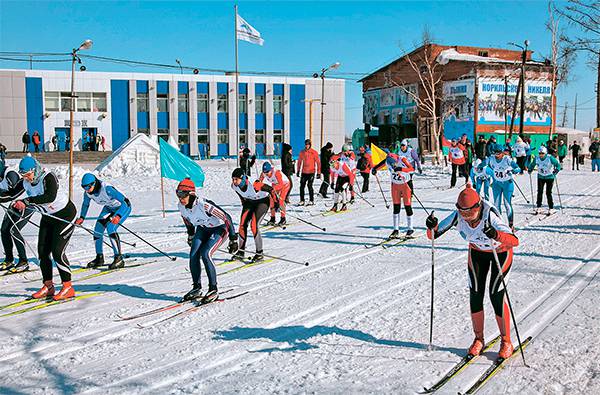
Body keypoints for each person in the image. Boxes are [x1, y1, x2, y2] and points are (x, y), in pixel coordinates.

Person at [425, 184, 519, 359]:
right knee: (475, 293)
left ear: (478, 207)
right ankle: (478, 339)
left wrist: (495, 234)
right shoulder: (457, 216)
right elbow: (433, 235)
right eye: (463, 213)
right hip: (477, 253)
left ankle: (506, 341)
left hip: (500, 252)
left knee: (495, 294)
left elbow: (514, 241)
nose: (467, 218)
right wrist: (431, 226)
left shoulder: (490, 216)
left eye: (470, 213)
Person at [9, 156, 77, 300]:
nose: (26, 178)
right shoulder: (26, 181)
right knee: (43, 252)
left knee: (57, 252)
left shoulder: (48, 177)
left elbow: (50, 197)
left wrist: (26, 201)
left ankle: (68, 287)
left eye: (28, 174)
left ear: (35, 170)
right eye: (23, 175)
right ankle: (48, 286)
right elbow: (11, 194)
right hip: (48, 217)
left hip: (65, 215)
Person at [176, 178, 237, 303]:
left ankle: (213, 289)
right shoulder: (181, 207)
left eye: (182, 195)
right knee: (193, 254)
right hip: (203, 229)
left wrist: (233, 239)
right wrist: (191, 235)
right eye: (178, 194)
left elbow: (227, 218)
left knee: (205, 253)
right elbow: (187, 220)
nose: (180, 198)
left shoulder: (204, 205)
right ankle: (196, 287)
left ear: (191, 194)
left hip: (219, 228)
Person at [75, 173, 131, 270]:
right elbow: (85, 204)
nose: (86, 189)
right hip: (109, 208)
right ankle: (99, 258)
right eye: (84, 187)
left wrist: (118, 216)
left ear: (94, 183)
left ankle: (119, 258)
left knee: (111, 228)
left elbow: (125, 202)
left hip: (122, 208)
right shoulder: (88, 193)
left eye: (88, 187)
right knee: (97, 230)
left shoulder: (107, 189)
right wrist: (82, 217)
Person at [231, 167, 275, 262]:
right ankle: (241, 252)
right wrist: (243, 201)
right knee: (242, 225)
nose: (234, 181)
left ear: (242, 179)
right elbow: (239, 193)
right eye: (233, 179)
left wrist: (276, 202)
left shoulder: (254, 185)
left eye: (236, 179)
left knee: (254, 225)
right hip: (250, 201)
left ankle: (259, 253)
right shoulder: (234, 186)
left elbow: (271, 189)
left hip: (262, 201)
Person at [372, 153, 415, 238]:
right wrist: (374, 169)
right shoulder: (388, 161)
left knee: (407, 206)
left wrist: (401, 169)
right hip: (395, 186)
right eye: (392, 164)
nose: (393, 165)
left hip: (406, 185)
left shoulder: (402, 159)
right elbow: (378, 166)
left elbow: (412, 169)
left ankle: (410, 228)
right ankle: (396, 230)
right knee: (396, 207)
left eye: (394, 163)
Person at [0, 162, 32, 272]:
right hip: (14, 204)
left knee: (14, 230)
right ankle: (9, 260)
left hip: (26, 204)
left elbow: (14, 193)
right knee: (4, 230)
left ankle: (24, 261)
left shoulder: (10, 174)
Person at [487, 144, 521, 228]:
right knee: (496, 204)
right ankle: (500, 224)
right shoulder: (491, 159)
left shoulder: (507, 159)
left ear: (502, 152)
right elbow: (484, 165)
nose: (496, 155)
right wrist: (479, 167)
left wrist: (513, 171)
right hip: (497, 184)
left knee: (507, 204)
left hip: (507, 184)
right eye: (495, 153)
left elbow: (518, 168)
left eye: (498, 153)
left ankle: (511, 225)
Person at [527, 146, 561, 215]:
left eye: (542, 153)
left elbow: (558, 165)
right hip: (540, 177)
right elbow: (532, 164)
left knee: (548, 193)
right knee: (539, 192)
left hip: (550, 177)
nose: (541, 155)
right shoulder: (537, 158)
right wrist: (530, 169)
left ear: (545, 153)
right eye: (540, 153)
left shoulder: (549, 158)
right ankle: (539, 207)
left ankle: (551, 208)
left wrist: (556, 170)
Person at [259, 162, 290, 226]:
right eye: (265, 172)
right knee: (271, 200)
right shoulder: (264, 173)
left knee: (281, 201)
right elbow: (259, 182)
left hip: (285, 185)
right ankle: (272, 218)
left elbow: (281, 184)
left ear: (271, 170)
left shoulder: (276, 172)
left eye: (267, 172)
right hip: (275, 185)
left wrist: (271, 189)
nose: (266, 174)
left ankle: (283, 219)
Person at [296, 139, 320, 206]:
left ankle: (311, 200)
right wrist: (298, 170)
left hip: (311, 172)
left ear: (310, 145)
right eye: (306, 144)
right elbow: (299, 162)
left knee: (309, 186)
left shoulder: (314, 152)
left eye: (308, 144)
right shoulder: (302, 152)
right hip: (304, 172)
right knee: (301, 186)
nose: (307, 146)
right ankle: (302, 200)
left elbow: (318, 163)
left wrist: (318, 172)